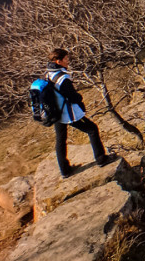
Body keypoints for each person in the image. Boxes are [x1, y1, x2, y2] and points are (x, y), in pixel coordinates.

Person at [46, 48, 113, 177]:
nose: (68, 61)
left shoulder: (48, 74)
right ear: (58, 61)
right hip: (67, 113)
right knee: (92, 129)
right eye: (66, 59)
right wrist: (80, 98)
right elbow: (72, 96)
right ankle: (101, 159)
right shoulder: (62, 77)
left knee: (60, 139)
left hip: (56, 113)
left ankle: (65, 171)